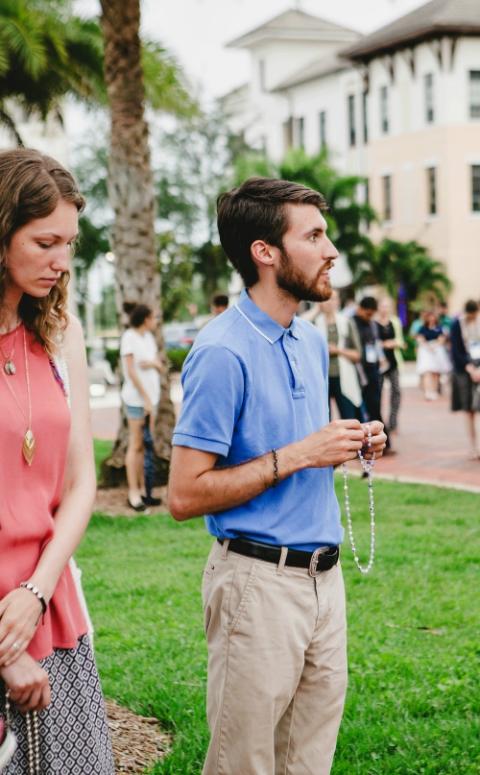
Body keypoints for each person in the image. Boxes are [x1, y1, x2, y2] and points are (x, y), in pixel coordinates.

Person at [167, 177, 386, 775]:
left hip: (325, 583)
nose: (331, 249)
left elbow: (306, 450)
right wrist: (298, 454)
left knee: (309, 763)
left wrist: (348, 444)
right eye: (313, 235)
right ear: (266, 252)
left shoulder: (310, 342)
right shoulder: (221, 352)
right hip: (255, 587)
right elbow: (184, 495)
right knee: (245, 765)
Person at [0, 148, 114, 773]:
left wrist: (36, 593)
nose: (62, 261)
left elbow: (80, 483)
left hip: (50, 608)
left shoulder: (59, 330)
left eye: (69, 243)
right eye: (45, 242)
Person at [120, 303, 161, 510]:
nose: (156, 321)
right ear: (145, 319)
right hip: (137, 401)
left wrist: (152, 364)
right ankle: (133, 493)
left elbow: (157, 363)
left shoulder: (149, 339)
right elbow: (131, 371)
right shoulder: (129, 337)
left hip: (151, 401)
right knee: (135, 445)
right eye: (154, 317)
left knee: (146, 446)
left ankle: (146, 491)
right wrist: (144, 397)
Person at [304, 290, 363, 420]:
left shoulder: (346, 322)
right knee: (323, 420)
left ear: (338, 302)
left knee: (348, 418)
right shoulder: (314, 323)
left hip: (344, 378)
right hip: (321, 378)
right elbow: (298, 322)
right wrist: (315, 310)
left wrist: (338, 351)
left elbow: (358, 354)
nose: (329, 302)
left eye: (333, 299)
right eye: (326, 299)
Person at [352, 296, 391, 449]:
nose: (369, 317)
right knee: (359, 410)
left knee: (375, 407)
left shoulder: (372, 324)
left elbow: (375, 343)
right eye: (367, 313)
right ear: (360, 309)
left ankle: (381, 442)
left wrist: (381, 358)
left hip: (373, 369)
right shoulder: (352, 323)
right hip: (358, 371)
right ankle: (362, 443)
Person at [450, 300, 480, 459]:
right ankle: (473, 447)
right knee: (469, 410)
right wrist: (470, 368)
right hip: (464, 371)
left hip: (478, 368)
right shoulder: (457, 325)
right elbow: (455, 351)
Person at [375, 297, 406, 447]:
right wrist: (382, 345)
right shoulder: (373, 322)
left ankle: (393, 422)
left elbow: (401, 341)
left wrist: (391, 343)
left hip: (393, 362)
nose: (384, 309)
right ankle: (380, 423)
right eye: (382, 306)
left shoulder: (395, 322)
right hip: (379, 364)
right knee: (378, 393)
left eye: (387, 306)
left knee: (396, 392)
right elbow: (372, 342)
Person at [416, 310, 451, 400]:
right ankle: (428, 391)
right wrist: (428, 346)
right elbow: (420, 338)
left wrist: (435, 345)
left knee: (436, 372)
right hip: (426, 350)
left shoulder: (439, 328)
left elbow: (442, 338)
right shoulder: (422, 328)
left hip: (437, 350)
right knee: (427, 371)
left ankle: (434, 391)